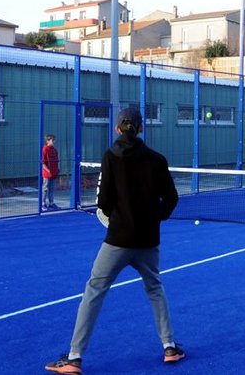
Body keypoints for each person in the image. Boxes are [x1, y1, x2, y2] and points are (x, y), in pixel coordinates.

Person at [45, 108, 183, 374]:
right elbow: (172, 198)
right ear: (141, 128)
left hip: (117, 239)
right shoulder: (157, 159)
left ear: (118, 128)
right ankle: (169, 346)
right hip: (148, 240)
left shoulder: (110, 157)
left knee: (94, 290)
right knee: (155, 288)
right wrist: (155, 218)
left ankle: (74, 358)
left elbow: (103, 202)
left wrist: (120, 219)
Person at [41, 134, 60, 210]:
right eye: (52, 140)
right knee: (45, 188)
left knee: (51, 188)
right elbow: (43, 163)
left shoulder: (55, 150)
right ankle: (43, 204)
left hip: (54, 173)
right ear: (47, 140)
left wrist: (57, 169)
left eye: (54, 140)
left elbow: (57, 161)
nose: (54, 141)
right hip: (47, 174)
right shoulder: (45, 149)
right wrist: (48, 170)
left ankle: (51, 204)